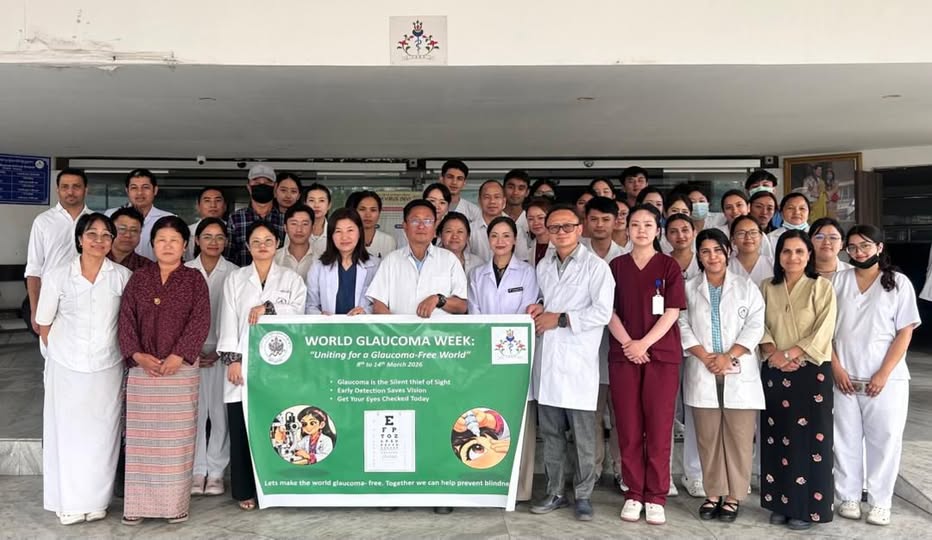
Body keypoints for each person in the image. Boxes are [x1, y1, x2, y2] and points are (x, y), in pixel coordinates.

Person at [36, 212, 131, 525]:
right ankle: (69, 502)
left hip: (107, 366)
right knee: (67, 433)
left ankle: (96, 501)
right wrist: (60, 354)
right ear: (79, 238)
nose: (99, 241)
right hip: (66, 367)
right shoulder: (58, 275)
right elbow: (44, 323)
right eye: (92, 234)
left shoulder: (121, 276)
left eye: (106, 235)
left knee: (103, 434)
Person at [118, 216, 211, 526]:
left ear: (185, 245)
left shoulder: (194, 280)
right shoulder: (139, 278)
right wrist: (136, 354)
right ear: (152, 244)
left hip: (179, 372)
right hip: (143, 371)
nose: (167, 245)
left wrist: (179, 355)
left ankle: (174, 506)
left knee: (176, 442)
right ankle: (136, 505)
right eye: (161, 240)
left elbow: (200, 320)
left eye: (174, 240)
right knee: (142, 441)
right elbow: (125, 319)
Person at [528, 204, 614, 522]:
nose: (561, 232)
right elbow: (544, 298)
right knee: (551, 434)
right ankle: (555, 491)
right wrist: (538, 307)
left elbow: (602, 312)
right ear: (548, 232)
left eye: (567, 226)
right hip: (548, 360)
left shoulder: (596, 268)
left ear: (580, 229)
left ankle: (584, 495)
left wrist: (561, 318)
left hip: (579, 363)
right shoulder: (543, 265)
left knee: (583, 437)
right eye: (554, 227)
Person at [832, 225, 921, 526]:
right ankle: (848, 496)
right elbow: (824, 331)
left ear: (880, 247)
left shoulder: (898, 283)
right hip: (844, 378)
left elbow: (905, 331)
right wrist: (836, 368)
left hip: (886, 381)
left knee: (885, 440)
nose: (858, 252)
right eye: (852, 247)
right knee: (844, 439)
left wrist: (883, 373)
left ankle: (881, 502)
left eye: (865, 246)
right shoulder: (838, 281)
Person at [217, 220, 307, 511]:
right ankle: (245, 489)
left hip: (280, 365)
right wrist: (233, 360)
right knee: (242, 426)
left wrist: (268, 308)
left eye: (268, 241)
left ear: (277, 244)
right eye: (256, 241)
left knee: (278, 425)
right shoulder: (235, 279)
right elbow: (227, 320)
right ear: (248, 246)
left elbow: (299, 314)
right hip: (243, 364)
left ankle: (277, 485)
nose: (262, 246)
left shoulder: (292, 279)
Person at [679, 228, 766, 523]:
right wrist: (705, 356)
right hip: (703, 367)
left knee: (739, 438)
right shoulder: (689, 288)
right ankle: (713, 493)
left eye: (717, 250)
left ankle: (733, 496)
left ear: (728, 252)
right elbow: (681, 324)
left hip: (737, 368)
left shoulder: (746, 287)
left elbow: (756, 325)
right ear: (699, 256)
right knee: (708, 438)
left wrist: (729, 355)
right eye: (705, 251)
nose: (712, 256)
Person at [607, 204, 686, 526]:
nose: (641, 230)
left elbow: (672, 311)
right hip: (624, 356)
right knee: (627, 426)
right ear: (627, 229)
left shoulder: (669, 266)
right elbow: (607, 310)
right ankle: (633, 492)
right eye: (635, 224)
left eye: (648, 225)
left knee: (658, 427)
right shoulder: (616, 266)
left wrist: (644, 344)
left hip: (660, 356)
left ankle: (655, 496)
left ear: (658, 230)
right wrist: (630, 344)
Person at [758, 230, 837, 531]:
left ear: (809, 256)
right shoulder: (767, 287)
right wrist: (773, 353)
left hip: (810, 371)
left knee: (809, 440)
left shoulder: (821, 287)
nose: (793, 257)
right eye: (786, 251)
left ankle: (806, 509)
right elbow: (758, 324)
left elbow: (824, 328)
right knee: (777, 435)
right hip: (774, 369)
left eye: (799, 251)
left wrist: (791, 354)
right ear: (778, 256)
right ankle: (780, 503)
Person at [466, 216, 539, 501]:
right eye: (494, 235)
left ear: (515, 240)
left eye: (506, 235)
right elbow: (474, 313)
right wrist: (488, 342)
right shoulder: (477, 274)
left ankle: (520, 489)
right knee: (490, 421)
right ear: (488, 240)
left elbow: (526, 312)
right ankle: (490, 482)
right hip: (485, 356)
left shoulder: (527, 273)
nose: (500, 241)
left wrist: (501, 338)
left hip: (516, 355)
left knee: (520, 420)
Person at [185, 218, 235, 497]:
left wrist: (222, 349)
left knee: (219, 414)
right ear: (196, 240)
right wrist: (190, 350)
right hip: (188, 355)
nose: (213, 242)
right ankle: (196, 470)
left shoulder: (235, 273)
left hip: (222, 353)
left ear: (226, 241)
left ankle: (215, 471)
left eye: (219, 237)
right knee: (194, 413)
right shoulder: (185, 271)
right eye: (207, 236)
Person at [581, 197, 626, 495]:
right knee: (591, 414)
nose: (599, 225)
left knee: (622, 414)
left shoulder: (626, 258)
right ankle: (594, 469)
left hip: (620, 347)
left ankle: (622, 469)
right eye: (594, 219)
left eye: (605, 219)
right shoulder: (577, 254)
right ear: (585, 221)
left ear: (616, 222)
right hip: (585, 349)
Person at [367, 200, 467, 318]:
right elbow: (378, 305)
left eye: (428, 221)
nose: (421, 226)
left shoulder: (449, 259)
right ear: (405, 226)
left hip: (439, 330)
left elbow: (462, 305)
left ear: (435, 226)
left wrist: (438, 300)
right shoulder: (391, 260)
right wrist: (396, 328)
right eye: (415, 221)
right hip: (399, 329)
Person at [25, 168, 92, 335]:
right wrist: (35, 309)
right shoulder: (43, 221)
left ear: (86, 189)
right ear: (57, 190)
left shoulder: (95, 221)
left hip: (89, 297)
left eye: (76, 186)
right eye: (65, 186)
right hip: (51, 298)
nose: (70, 191)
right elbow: (34, 269)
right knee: (51, 347)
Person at [305, 208, 380, 315]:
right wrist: (320, 316)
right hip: (328, 325)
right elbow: (310, 305)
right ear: (331, 235)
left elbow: (381, 304)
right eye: (338, 231)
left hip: (362, 325)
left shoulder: (375, 266)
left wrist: (365, 312)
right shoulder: (318, 267)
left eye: (350, 230)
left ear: (359, 232)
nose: (344, 237)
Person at [105, 169, 174, 261]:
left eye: (145, 187)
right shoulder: (110, 215)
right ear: (127, 190)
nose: (140, 192)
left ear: (155, 190)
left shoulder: (168, 219)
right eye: (134, 188)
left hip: (154, 269)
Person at [225, 164, 285, 267]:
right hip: (242, 276)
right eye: (256, 183)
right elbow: (228, 258)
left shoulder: (284, 220)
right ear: (249, 187)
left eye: (267, 182)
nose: (262, 185)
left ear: (275, 187)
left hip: (278, 276)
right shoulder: (235, 218)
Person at [346, 190, 396, 258]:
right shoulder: (345, 240)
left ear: (379, 213)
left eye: (373, 210)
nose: (368, 215)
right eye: (362, 209)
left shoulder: (388, 241)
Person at [274, 204, 317, 282]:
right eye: (294, 224)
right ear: (285, 228)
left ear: (312, 228)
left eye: (305, 224)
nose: (299, 230)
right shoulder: (274, 258)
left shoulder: (321, 259)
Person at [728, 216, 774, 286]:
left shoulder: (773, 265)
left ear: (761, 237)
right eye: (741, 233)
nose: (748, 237)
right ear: (733, 239)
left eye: (753, 232)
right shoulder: (726, 267)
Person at [108, 207, 156, 272]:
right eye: (122, 229)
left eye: (134, 230)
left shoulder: (149, 267)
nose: (128, 235)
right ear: (110, 231)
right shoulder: (97, 259)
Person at [470, 180, 508, 262]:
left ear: (504, 201)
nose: (492, 201)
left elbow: (522, 261)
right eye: (487, 197)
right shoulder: (470, 230)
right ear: (479, 201)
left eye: (497, 197)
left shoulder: (516, 229)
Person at [185, 187, 227, 260]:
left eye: (218, 200)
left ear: (225, 206)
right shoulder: (187, 232)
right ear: (198, 206)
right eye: (207, 201)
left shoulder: (232, 229)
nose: (213, 205)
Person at [439, 212, 483, 277]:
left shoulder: (478, 264)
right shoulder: (430, 261)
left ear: (468, 236)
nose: (454, 236)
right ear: (440, 235)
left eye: (460, 232)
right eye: (449, 231)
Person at [440, 159, 482, 224]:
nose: (454, 182)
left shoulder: (473, 211)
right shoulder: (430, 207)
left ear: (464, 183)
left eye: (459, 178)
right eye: (450, 177)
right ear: (441, 179)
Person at [304, 182, 332, 258]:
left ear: (329, 205)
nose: (316, 205)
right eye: (311, 200)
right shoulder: (295, 229)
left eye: (321, 200)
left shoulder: (334, 231)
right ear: (305, 204)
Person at [525, 197, 553, 267]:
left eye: (540, 218)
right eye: (531, 219)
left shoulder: (559, 245)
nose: (536, 223)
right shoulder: (529, 246)